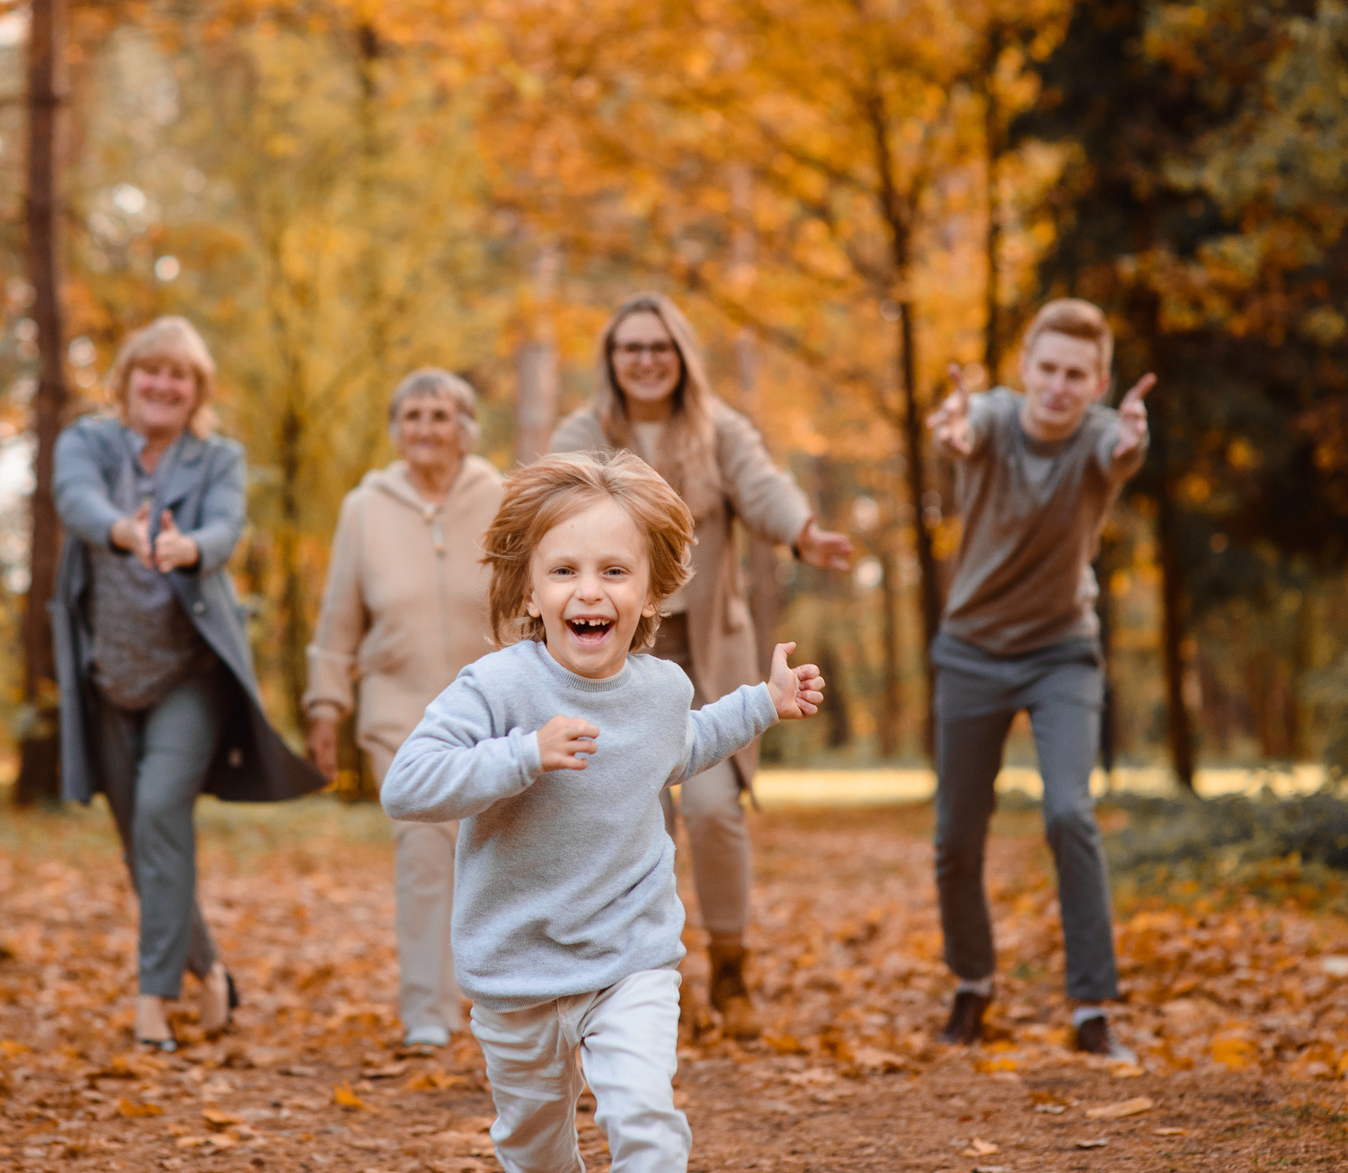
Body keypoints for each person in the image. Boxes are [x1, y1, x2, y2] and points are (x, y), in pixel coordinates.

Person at [380, 450, 825, 1173]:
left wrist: (763, 703)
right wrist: (522, 755)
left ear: (651, 596)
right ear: (530, 593)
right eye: (564, 572)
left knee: (645, 1116)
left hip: (631, 956)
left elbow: (683, 745)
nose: (590, 591)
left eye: (614, 571)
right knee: (534, 1148)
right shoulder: (495, 688)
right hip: (515, 968)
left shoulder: (661, 689)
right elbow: (408, 784)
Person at [548, 293, 851, 1038]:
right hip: (616, 659)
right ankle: (639, 980)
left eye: (660, 346)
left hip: (706, 656)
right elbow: (547, 506)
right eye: (631, 348)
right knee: (632, 815)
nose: (647, 360)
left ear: (681, 355)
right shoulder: (585, 432)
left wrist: (803, 531)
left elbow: (764, 486)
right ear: (612, 361)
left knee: (714, 810)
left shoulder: (718, 431)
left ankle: (731, 968)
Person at [51, 316, 325, 1051]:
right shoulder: (86, 442)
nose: (164, 385)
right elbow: (74, 500)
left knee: (160, 812)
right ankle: (212, 973)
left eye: (181, 375)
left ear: (197, 389)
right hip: (106, 675)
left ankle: (152, 1000)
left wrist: (186, 545)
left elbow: (228, 528)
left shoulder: (217, 458)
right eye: (152, 370)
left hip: (190, 675)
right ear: (128, 377)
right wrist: (124, 530)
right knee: (144, 842)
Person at [924, 297, 1155, 1061]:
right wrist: (955, 433)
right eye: (1047, 368)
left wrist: (1130, 442)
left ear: (1099, 380)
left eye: (1076, 373)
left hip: (1062, 652)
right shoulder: (991, 416)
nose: (1059, 384)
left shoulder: (1101, 435)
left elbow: (1116, 458)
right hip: (971, 649)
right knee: (956, 835)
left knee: (1069, 814)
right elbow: (969, 431)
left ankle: (1091, 1005)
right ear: (1026, 369)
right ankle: (973, 982)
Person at [302, 368, 505, 1052]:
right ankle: (427, 1006)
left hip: (493, 703)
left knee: (496, 851)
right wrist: (325, 703)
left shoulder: (501, 496)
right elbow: (339, 614)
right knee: (422, 844)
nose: (424, 428)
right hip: (398, 707)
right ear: (396, 428)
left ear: (465, 427)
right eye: (412, 414)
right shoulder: (365, 505)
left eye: (439, 414)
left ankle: (503, 997)